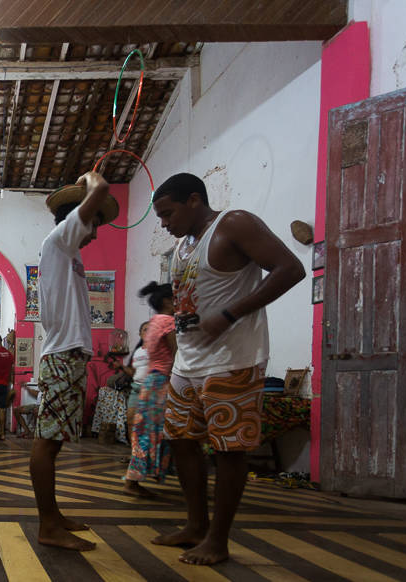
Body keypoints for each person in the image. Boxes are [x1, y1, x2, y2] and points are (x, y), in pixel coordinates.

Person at [150, 173, 303, 565]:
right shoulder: (184, 246)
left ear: (195, 200)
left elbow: (290, 269)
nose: (164, 224)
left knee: (229, 449)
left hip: (233, 360)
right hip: (188, 362)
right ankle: (196, 525)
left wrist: (231, 314)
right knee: (182, 441)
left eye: (168, 213)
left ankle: (218, 540)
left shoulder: (234, 223)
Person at [31, 171, 119, 551]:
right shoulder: (59, 241)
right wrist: (89, 178)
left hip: (69, 356)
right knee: (47, 443)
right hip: (62, 357)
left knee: (54, 442)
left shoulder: (69, 254)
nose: (96, 233)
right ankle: (48, 525)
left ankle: (54, 516)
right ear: (77, 217)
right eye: (94, 222)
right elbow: (99, 188)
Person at [123, 283, 176, 497]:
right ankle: (133, 479)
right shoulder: (168, 322)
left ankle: (137, 476)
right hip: (162, 382)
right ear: (167, 301)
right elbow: (177, 353)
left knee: (145, 431)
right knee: (155, 432)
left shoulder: (154, 322)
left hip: (150, 382)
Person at [124, 322, 151, 438]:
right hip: (136, 389)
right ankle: (134, 452)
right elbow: (133, 372)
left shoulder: (159, 350)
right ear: (140, 334)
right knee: (131, 421)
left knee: (149, 423)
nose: (148, 332)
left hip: (151, 390)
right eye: (145, 329)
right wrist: (120, 367)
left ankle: (149, 453)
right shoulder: (137, 351)